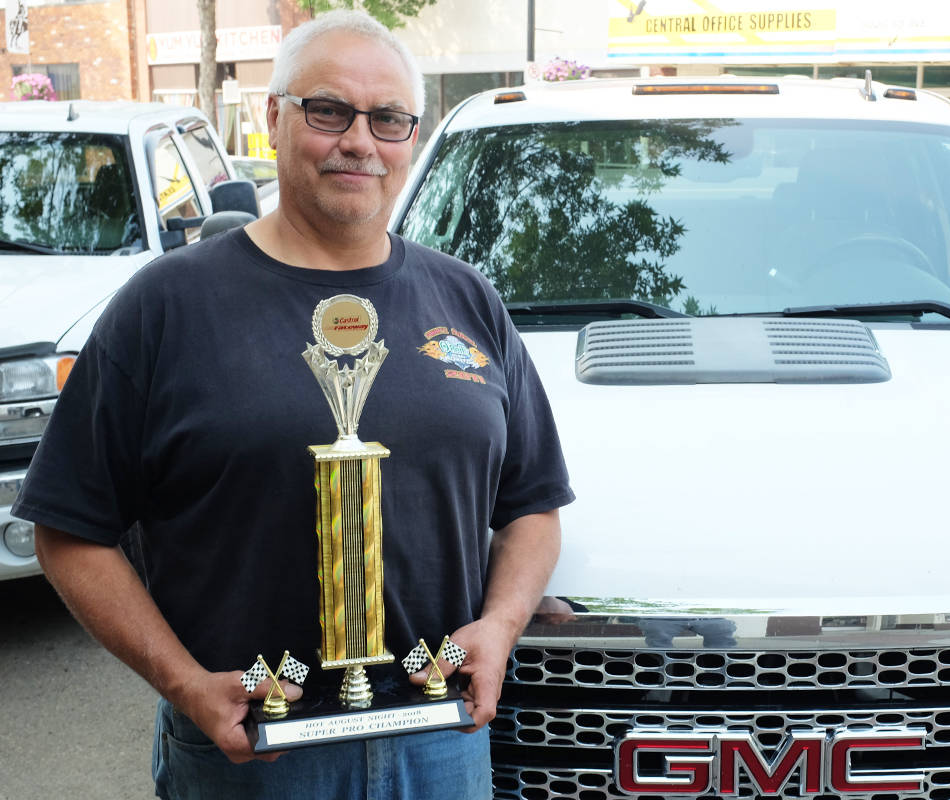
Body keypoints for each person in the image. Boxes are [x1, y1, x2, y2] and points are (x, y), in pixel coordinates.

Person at [14, 10, 573, 799]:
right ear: (273, 118)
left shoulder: (467, 299)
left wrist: (502, 624)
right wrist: (182, 683)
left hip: (438, 745)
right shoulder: (165, 307)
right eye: (328, 111)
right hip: (249, 754)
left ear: (410, 136)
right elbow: (69, 530)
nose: (359, 141)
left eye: (387, 119)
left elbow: (534, 506)